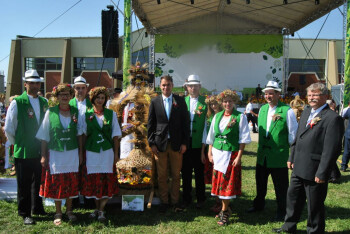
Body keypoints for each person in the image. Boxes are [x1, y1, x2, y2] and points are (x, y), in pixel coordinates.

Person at [273, 83, 344, 234]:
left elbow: (332, 149)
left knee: (314, 204)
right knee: (292, 197)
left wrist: (323, 172)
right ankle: (289, 226)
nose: (311, 98)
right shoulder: (306, 112)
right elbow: (298, 137)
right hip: (298, 165)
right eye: (310, 95)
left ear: (325, 97)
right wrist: (291, 156)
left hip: (315, 169)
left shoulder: (333, 118)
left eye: (315, 95)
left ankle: (314, 230)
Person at [247, 80, 298, 222]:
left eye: (271, 93)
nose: (268, 96)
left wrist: (291, 155)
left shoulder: (287, 111)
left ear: (278, 94)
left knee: (281, 187)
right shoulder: (262, 109)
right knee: (260, 183)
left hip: (278, 156)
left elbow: (293, 135)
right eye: (266, 94)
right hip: (262, 155)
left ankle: (282, 211)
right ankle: (258, 205)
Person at [4, 69, 48, 225]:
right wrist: (18, 142)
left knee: (39, 181)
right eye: (32, 83)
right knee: (24, 183)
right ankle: (25, 212)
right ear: (25, 84)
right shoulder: (17, 102)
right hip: (23, 149)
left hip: (40, 149)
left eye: (37, 83)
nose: (35, 85)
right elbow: (9, 127)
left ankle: (37, 207)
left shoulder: (44, 102)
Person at [36, 84, 81, 225]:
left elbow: (80, 134)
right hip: (56, 152)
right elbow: (44, 136)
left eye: (67, 94)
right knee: (57, 182)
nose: (65, 97)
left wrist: (81, 153)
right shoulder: (50, 112)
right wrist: (43, 155)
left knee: (71, 181)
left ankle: (69, 210)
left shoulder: (76, 111)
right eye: (62, 94)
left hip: (72, 152)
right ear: (57, 96)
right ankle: (58, 212)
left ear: (71, 96)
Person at [206, 89, 251, 226]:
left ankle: (224, 212)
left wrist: (239, 156)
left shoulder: (240, 117)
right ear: (222, 102)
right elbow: (211, 136)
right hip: (217, 154)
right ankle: (225, 208)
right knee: (220, 183)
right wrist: (209, 152)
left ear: (234, 102)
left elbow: (243, 138)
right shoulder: (217, 116)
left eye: (230, 101)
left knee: (227, 184)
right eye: (225, 101)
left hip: (231, 154)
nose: (227, 104)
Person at [147, 75, 190, 213]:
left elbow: (185, 123)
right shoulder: (154, 102)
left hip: (177, 144)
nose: (166, 87)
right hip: (160, 145)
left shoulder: (180, 101)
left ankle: (175, 201)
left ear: (172, 85)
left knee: (176, 175)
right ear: (160, 86)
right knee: (162, 175)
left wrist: (184, 143)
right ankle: (164, 202)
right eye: (164, 85)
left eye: (169, 85)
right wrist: (152, 143)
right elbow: (151, 125)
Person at [80, 87, 121, 222]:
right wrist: (82, 152)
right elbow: (83, 136)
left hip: (107, 151)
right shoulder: (86, 115)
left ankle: (101, 209)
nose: (100, 100)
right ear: (93, 98)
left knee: (105, 180)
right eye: (98, 97)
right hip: (92, 152)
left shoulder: (111, 114)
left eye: (103, 98)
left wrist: (116, 154)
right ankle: (97, 209)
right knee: (94, 181)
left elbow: (115, 135)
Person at [182, 75, 207, 208]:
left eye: (195, 86)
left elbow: (206, 127)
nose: (193, 88)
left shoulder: (205, 102)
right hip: (186, 143)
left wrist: (204, 147)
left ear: (199, 87)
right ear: (187, 87)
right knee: (185, 172)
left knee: (199, 172)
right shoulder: (182, 101)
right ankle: (186, 197)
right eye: (190, 86)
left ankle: (201, 198)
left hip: (198, 143)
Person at [341, 107, 350, 172]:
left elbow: (344, 117)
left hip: (348, 134)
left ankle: (343, 166)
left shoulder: (349, 110)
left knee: (347, 150)